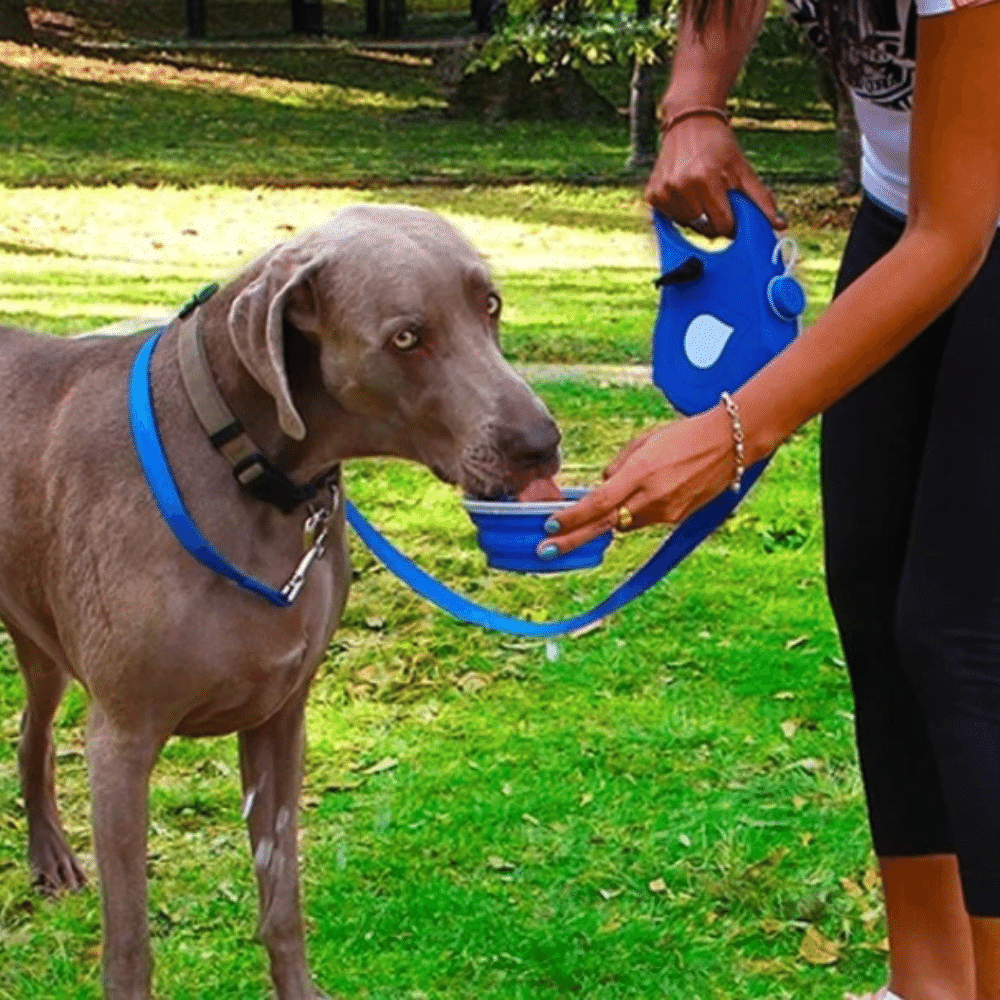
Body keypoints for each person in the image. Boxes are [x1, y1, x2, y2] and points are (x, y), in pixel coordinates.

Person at [535, 0, 1000, 995]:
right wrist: (694, 97)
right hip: (909, 203)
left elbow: (956, 234)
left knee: (962, 636)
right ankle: (932, 985)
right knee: (876, 609)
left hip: (959, 219)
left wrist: (737, 427)